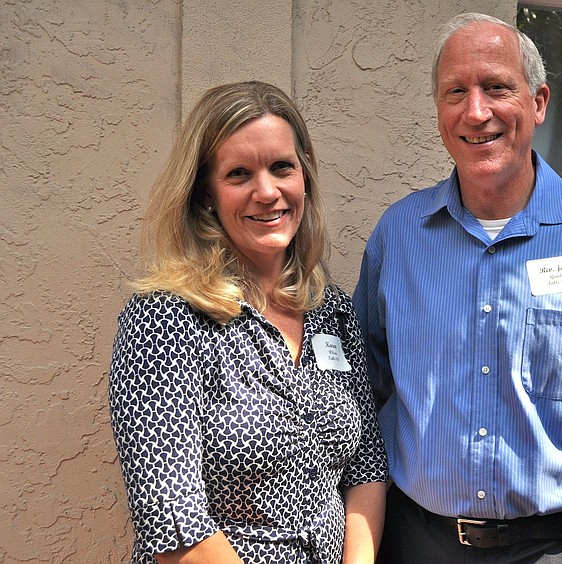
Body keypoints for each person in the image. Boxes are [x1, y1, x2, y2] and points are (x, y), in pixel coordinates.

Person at [353, 13, 562, 564]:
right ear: (439, 111)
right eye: (456, 91)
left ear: (539, 102)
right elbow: (364, 400)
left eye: (496, 87)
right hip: (421, 544)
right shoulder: (398, 238)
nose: (476, 111)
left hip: (559, 548)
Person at [108, 81, 387, 564]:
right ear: (206, 195)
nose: (267, 191)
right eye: (239, 174)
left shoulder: (334, 312)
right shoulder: (166, 318)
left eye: (282, 167)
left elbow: (366, 464)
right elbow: (172, 518)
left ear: (305, 177)